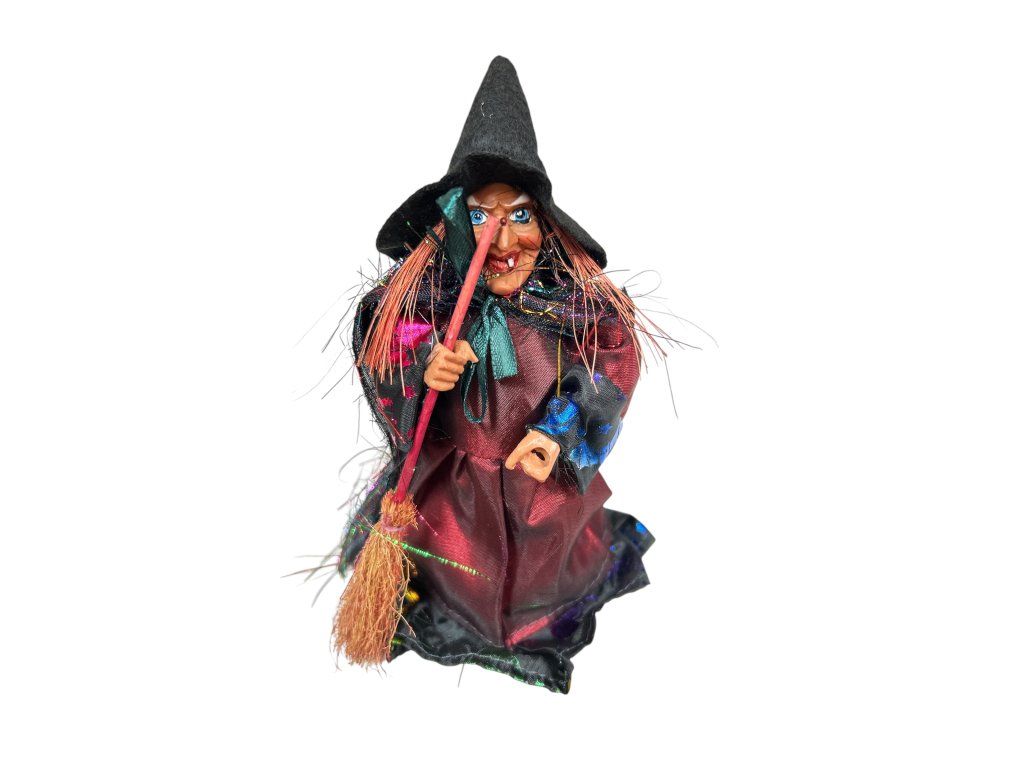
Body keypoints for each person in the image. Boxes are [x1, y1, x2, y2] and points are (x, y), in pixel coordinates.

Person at [336, 56, 656, 693]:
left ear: (545, 222)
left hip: (538, 487)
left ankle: (531, 628)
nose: (502, 242)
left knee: (539, 564)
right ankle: (444, 609)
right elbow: (385, 341)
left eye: (519, 216)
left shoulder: (570, 304)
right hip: (453, 493)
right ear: (455, 221)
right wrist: (424, 362)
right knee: (454, 561)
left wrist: (561, 430)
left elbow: (614, 356)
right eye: (482, 216)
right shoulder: (430, 299)